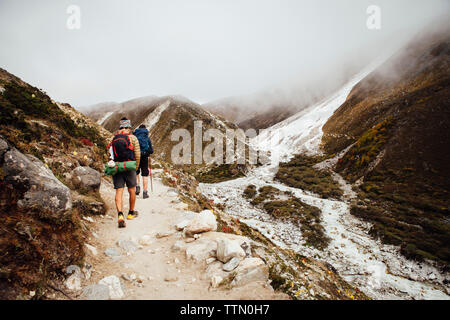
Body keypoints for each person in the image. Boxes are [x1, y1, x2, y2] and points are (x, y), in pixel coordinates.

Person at [107, 118, 141, 228]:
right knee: (131, 190)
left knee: (119, 191)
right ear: (129, 128)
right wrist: (135, 167)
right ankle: (131, 213)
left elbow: (109, 153)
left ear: (120, 128)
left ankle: (120, 215)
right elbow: (137, 154)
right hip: (129, 166)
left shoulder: (114, 138)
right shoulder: (133, 138)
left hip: (117, 167)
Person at [133, 124, 154, 199]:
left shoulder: (135, 137)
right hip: (145, 157)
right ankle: (145, 192)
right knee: (145, 174)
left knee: (136, 172)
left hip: (136, 156)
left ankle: (137, 186)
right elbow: (151, 150)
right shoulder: (147, 138)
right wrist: (147, 152)